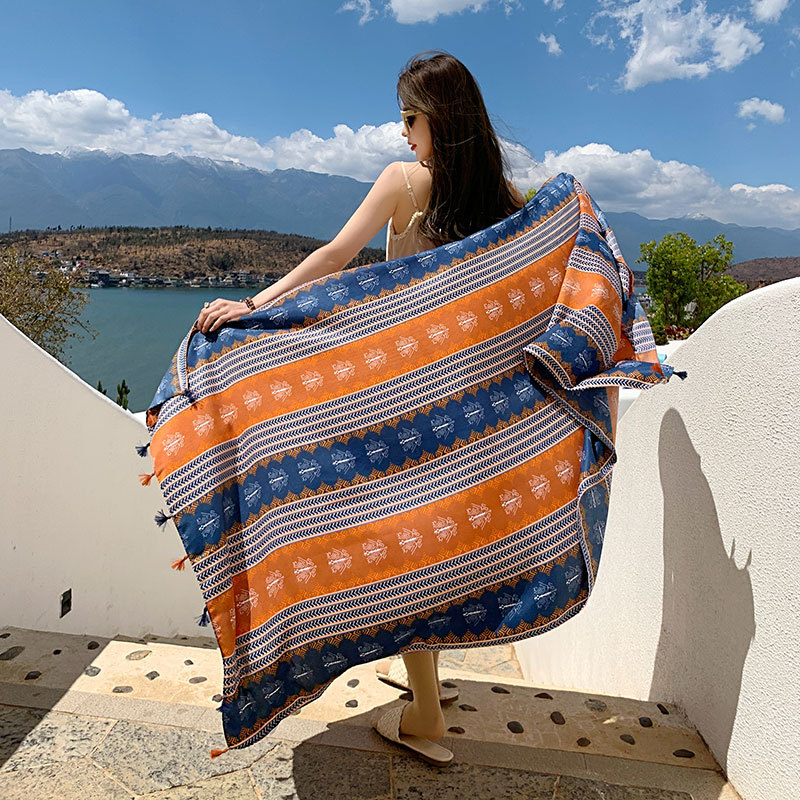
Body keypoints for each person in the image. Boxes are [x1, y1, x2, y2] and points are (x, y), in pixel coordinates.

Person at [195, 50, 525, 763]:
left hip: (401, 399)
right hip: (467, 404)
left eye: (410, 117)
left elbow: (335, 256)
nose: (404, 132)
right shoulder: (503, 197)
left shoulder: (404, 182)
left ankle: (427, 715)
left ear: (439, 118)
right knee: (439, 542)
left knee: (401, 549)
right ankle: (429, 682)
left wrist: (253, 305)